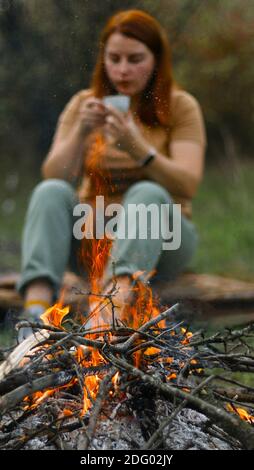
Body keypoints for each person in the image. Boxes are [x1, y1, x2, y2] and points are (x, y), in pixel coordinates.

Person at [16, 9, 206, 340]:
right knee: (49, 192)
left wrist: (138, 149)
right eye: (114, 58)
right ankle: (35, 316)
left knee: (146, 194)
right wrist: (80, 133)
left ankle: (108, 313)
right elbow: (53, 174)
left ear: (157, 60)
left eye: (135, 59)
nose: (122, 70)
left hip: (165, 234)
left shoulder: (180, 106)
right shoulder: (84, 104)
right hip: (94, 235)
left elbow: (187, 184)